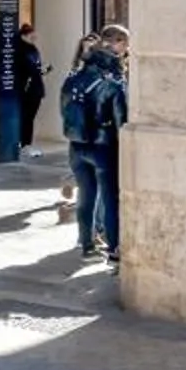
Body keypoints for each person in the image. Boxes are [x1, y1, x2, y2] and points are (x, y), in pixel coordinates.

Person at [59, 26, 129, 263]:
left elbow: (63, 111)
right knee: (110, 199)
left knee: (86, 196)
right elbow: (123, 123)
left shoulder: (72, 78)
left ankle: (87, 246)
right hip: (103, 147)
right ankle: (114, 248)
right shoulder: (114, 84)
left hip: (76, 145)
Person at [13, 23, 49, 154]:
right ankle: (23, 143)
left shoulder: (33, 49)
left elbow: (36, 68)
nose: (34, 38)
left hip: (35, 88)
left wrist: (42, 70)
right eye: (32, 35)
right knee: (25, 117)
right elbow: (26, 68)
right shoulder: (19, 50)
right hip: (25, 89)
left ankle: (26, 143)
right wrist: (38, 70)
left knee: (29, 117)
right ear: (25, 35)